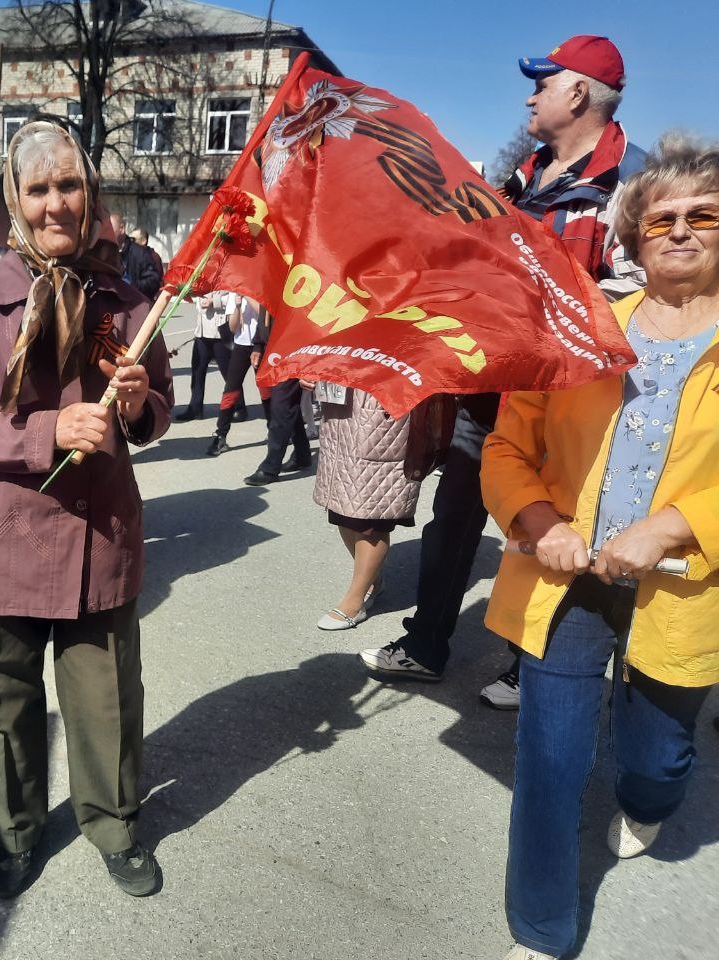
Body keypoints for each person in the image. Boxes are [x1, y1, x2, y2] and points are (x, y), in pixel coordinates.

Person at [480, 135, 719, 960]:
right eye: (662, 219)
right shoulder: (578, 333)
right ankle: (541, 929)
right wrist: (540, 523)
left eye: (704, 216)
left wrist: (674, 526)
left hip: (687, 588)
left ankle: (647, 800)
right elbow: (507, 448)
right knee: (548, 760)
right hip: (568, 579)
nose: (681, 231)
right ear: (634, 236)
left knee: (657, 757)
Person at [359, 35, 646, 709]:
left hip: (570, 399)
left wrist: (540, 299)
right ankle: (427, 644)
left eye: (541, 84)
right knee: (454, 511)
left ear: (578, 93)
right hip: (488, 385)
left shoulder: (631, 181)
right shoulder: (518, 173)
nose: (529, 97)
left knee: (551, 529)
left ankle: (532, 661)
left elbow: (637, 292)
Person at [0, 120, 173, 900]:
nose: (55, 204)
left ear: (90, 195)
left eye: (69, 185)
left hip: (96, 536)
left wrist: (140, 405)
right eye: (38, 189)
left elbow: (157, 410)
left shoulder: (131, 302)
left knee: (105, 698)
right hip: (0, 537)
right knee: (8, 706)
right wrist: (46, 432)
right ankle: (19, 830)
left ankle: (113, 823)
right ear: (13, 201)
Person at [313, 384, 417, 629]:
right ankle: (372, 581)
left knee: (370, 516)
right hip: (339, 413)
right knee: (341, 509)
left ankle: (355, 601)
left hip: (382, 414)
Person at [243, 310, 312, 485]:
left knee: (280, 406)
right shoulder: (273, 283)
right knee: (287, 405)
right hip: (275, 350)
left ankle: (270, 467)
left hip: (296, 349)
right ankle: (302, 454)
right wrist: (258, 345)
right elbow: (265, 308)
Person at [204, 292, 258, 456]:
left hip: (262, 345)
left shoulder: (259, 288)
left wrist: (249, 296)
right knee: (230, 391)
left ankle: (281, 433)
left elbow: (266, 314)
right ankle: (221, 435)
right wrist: (238, 305)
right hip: (241, 345)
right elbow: (233, 327)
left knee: (267, 392)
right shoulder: (236, 293)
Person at [174, 290, 233, 422]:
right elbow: (197, 298)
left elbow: (234, 298)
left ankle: (238, 406)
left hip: (220, 331)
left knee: (229, 373)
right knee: (197, 371)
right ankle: (195, 408)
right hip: (202, 330)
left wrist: (214, 301)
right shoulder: (203, 274)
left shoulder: (228, 273)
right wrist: (199, 300)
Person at [109, 212, 161, 299]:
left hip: (135, 306)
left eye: (110, 229)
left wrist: (132, 287)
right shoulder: (103, 253)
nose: (108, 233)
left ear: (121, 228)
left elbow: (153, 281)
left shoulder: (141, 253)